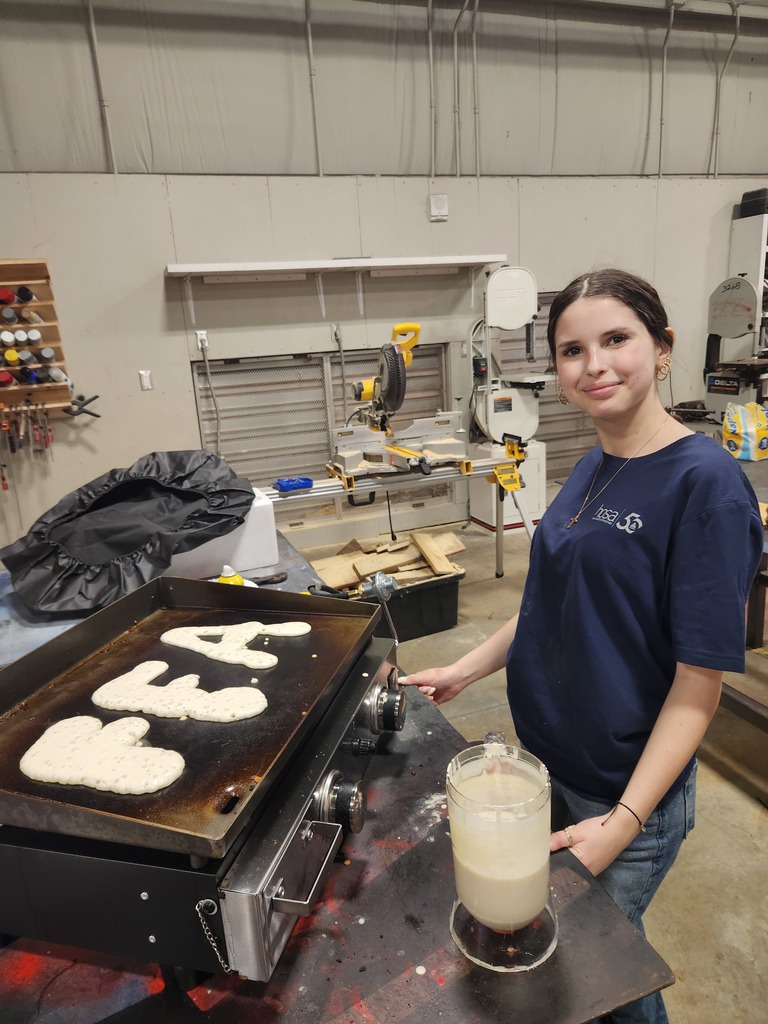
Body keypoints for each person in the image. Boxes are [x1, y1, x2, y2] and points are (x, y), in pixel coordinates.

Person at [403, 268, 763, 1024]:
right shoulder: (595, 464)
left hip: (621, 790)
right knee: (590, 959)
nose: (594, 363)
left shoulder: (706, 485)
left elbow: (700, 684)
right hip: (547, 770)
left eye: (616, 339)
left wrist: (624, 822)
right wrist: (466, 670)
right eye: (573, 350)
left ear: (662, 349)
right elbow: (548, 605)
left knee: (595, 970)